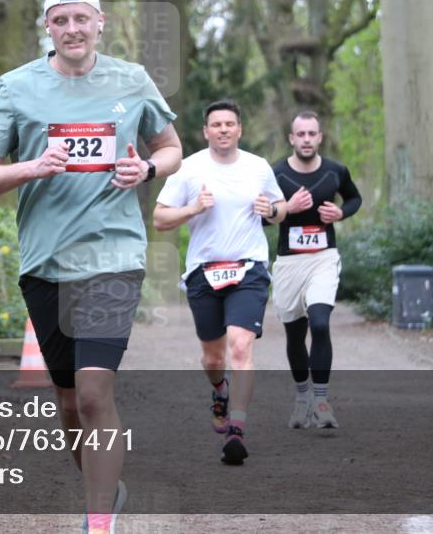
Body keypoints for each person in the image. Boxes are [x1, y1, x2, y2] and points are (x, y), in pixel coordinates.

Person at [0, 0, 182, 534]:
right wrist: (30, 167)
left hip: (113, 257)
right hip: (45, 262)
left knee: (92, 395)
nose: (72, 30)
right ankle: (107, 490)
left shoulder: (132, 82)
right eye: (60, 21)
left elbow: (172, 148)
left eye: (81, 19)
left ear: (99, 21)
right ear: (48, 27)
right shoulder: (16, 89)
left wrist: (149, 170)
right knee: (67, 402)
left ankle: (97, 520)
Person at [153, 99, 286, 465]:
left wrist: (272, 212)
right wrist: (193, 208)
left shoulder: (258, 167)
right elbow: (160, 219)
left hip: (250, 268)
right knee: (213, 357)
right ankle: (219, 390)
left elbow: (282, 207)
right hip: (204, 271)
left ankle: (237, 429)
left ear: (239, 130)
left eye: (230, 124)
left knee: (241, 347)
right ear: (206, 131)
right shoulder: (188, 168)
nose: (224, 129)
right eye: (217, 124)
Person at [272, 110, 361, 429]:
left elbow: (354, 199)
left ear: (320, 137)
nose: (307, 139)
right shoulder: (276, 173)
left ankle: (321, 401)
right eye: (301, 134)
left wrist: (340, 212)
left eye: (312, 134)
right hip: (288, 263)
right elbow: (260, 214)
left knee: (320, 323)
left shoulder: (336, 171)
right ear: (291, 138)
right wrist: (285, 209)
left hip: (324, 257)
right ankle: (302, 398)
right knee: (295, 334)